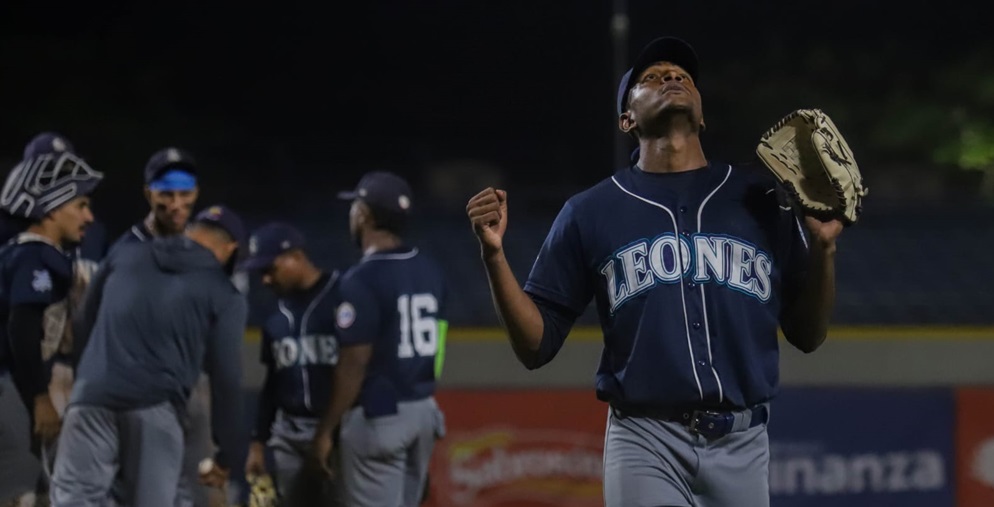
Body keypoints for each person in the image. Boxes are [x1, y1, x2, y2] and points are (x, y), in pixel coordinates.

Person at [465, 36, 843, 507]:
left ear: (702, 115)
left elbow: (808, 335)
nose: (670, 78)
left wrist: (824, 249)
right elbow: (535, 345)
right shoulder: (591, 211)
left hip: (744, 444)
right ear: (627, 119)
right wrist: (494, 256)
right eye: (651, 77)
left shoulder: (761, 197)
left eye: (682, 76)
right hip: (646, 440)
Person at [50, 205, 248, 507]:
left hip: (92, 398)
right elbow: (227, 378)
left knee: (73, 501)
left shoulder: (125, 254)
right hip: (156, 408)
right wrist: (227, 453)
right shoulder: (224, 292)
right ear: (230, 249)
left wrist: (87, 381)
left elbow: (81, 321)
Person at [313, 171, 448, 506]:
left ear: (364, 215)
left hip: (379, 417)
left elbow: (354, 362)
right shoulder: (430, 269)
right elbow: (439, 352)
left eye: (354, 207)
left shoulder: (361, 279)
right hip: (424, 411)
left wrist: (326, 430)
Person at [106, 146, 215, 507]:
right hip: (145, 394)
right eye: (166, 193)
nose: (176, 202)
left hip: (192, 388)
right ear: (148, 193)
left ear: (196, 193)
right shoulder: (127, 252)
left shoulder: (194, 249)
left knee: (197, 494)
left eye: (185, 193)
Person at [0, 132, 103, 506]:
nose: (89, 216)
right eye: (80, 204)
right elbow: (22, 328)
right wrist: (40, 397)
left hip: (23, 380)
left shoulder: (27, 251)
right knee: (19, 492)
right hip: (11, 384)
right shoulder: (34, 254)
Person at [240, 222, 341, 506]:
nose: (265, 280)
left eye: (269, 269)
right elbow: (271, 384)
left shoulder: (344, 294)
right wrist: (257, 443)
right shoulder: (275, 319)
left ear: (295, 257)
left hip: (339, 431)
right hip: (289, 434)